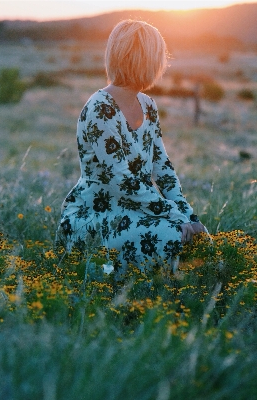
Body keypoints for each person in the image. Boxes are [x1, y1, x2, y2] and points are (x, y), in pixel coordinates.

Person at [56, 19, 206, 277]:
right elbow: (122, 183)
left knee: (200, 239)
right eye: (158, 57)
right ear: (145, 60)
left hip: (136, 208)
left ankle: (184, 301)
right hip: (96, 214)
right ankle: (144, 304)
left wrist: (188, 215)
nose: (162, 65)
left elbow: (163, 169)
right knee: (172, 237)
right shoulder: (99, 109)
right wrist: (173, 215)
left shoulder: (148, 105)